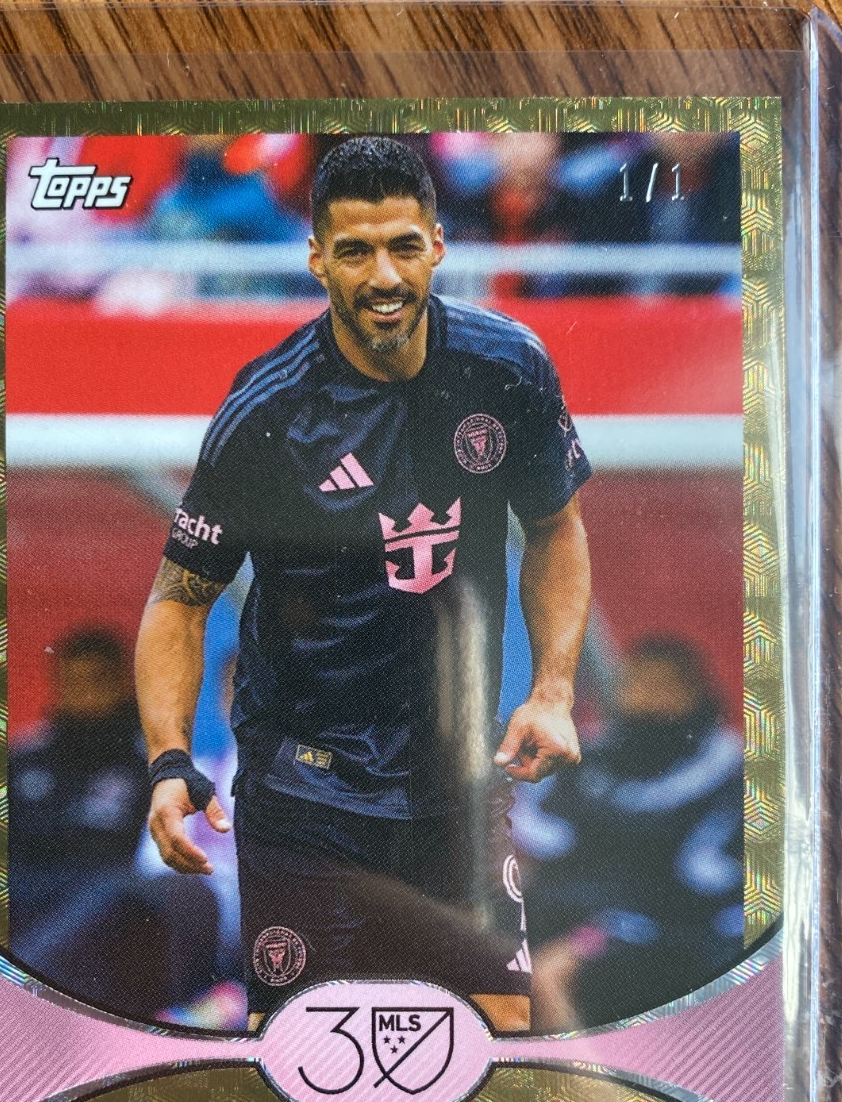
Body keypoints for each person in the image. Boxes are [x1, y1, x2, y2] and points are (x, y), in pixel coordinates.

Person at [135, 136, 593, 1032]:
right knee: (307, 1055)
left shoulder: (507, 367)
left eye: (403, 246)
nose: (383, 276)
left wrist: (552, 691)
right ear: (317, 259)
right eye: (355, 251)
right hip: (305, 797)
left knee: (496, 1039)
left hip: (457, 779)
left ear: (438, 245)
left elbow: (556, 527)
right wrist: (168, 761)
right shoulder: (268, 410)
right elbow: (179, 600)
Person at [514, 635, 745, 1030]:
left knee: (546, 978)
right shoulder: (589, 757)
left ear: (696, 694)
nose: (647, 699)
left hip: (673, 931)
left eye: (663, 687)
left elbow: (704, 881)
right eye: (635, 684)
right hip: (580, 916)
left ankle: (581, 1069)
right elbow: (539, 837)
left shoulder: (731, 769)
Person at [8, 627, 219, 1017]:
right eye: (74, 684)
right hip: (26, 893)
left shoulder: (154, 764)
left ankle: (17, 990)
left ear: (123, 685)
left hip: (109, 904)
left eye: (98, 682)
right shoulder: (23, 759)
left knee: (129, 890)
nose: (86, 695)